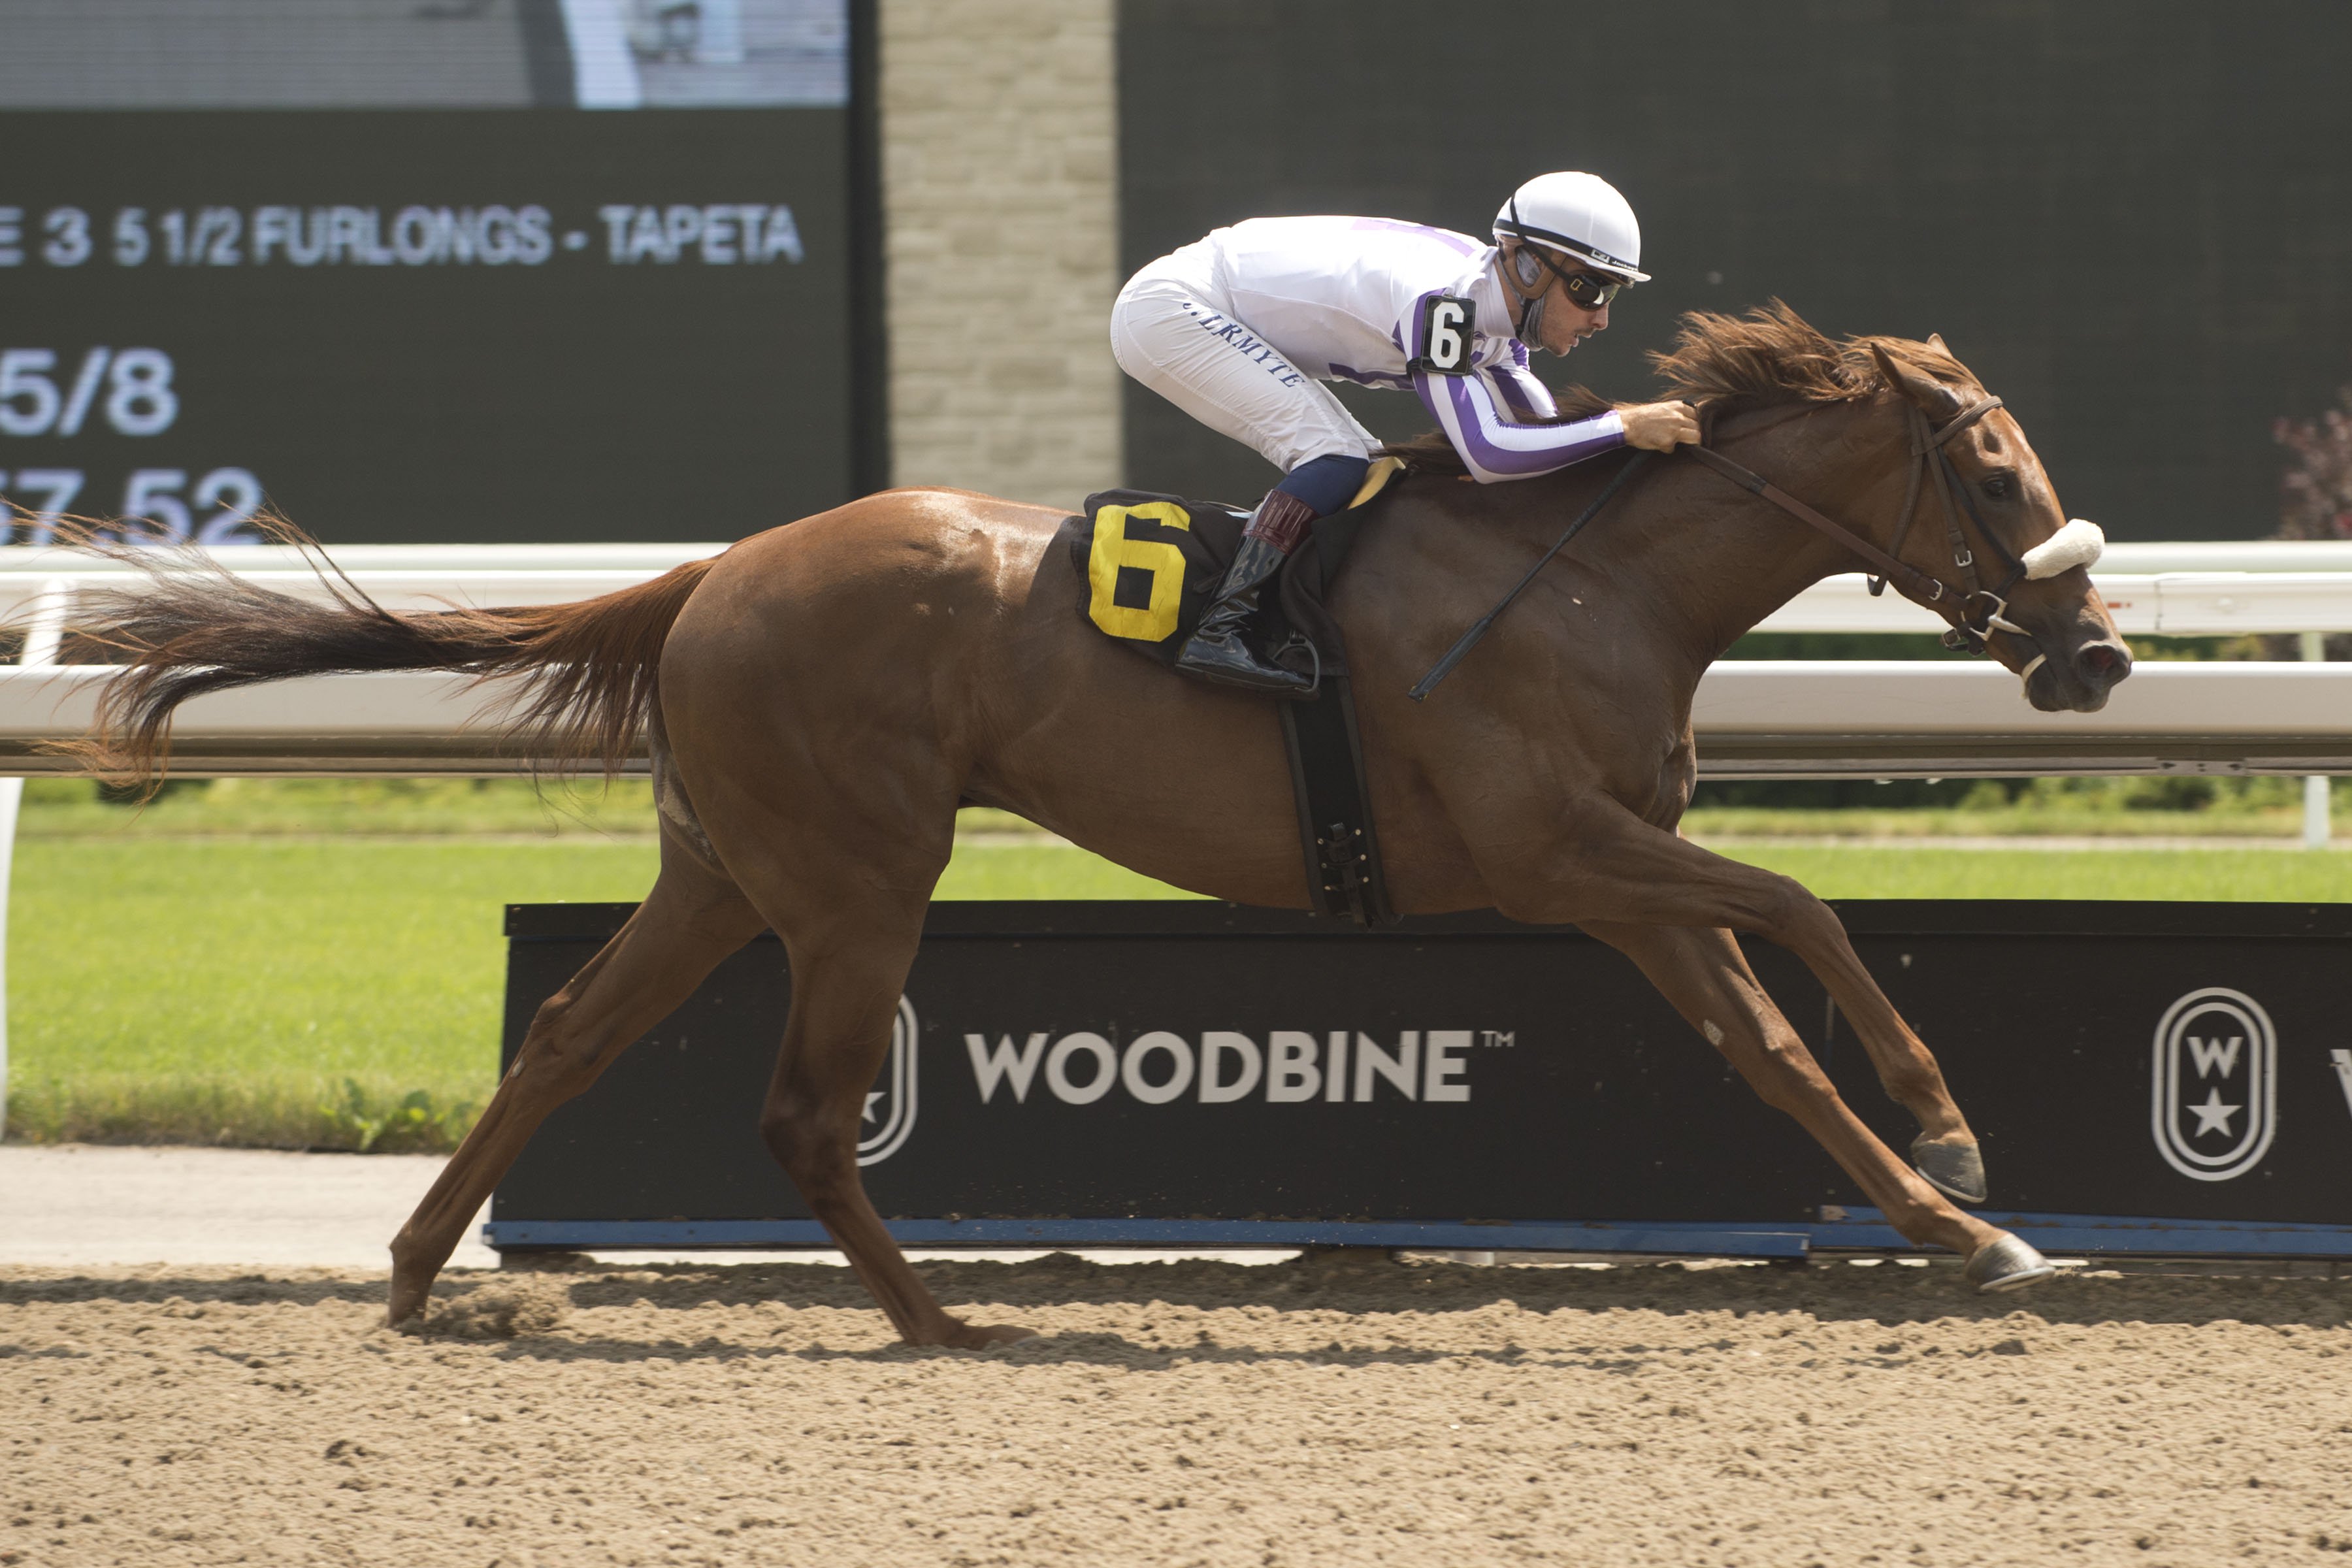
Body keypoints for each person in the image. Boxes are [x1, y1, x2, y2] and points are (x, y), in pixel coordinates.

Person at [1110, 171, 1701, 694]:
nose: (1600, 316)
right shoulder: (1446, 304)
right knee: (1340, 457)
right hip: (1173, 309)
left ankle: (1264, 613)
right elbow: (1491, 452)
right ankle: (1223, 624)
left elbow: (1542, 433)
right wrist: (1623, 426)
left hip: (1201, 303)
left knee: (1358, 462)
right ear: (1524, 263)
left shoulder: (1498, 324)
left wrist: (1632, 446)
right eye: (1588, 289)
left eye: (1610, 292)